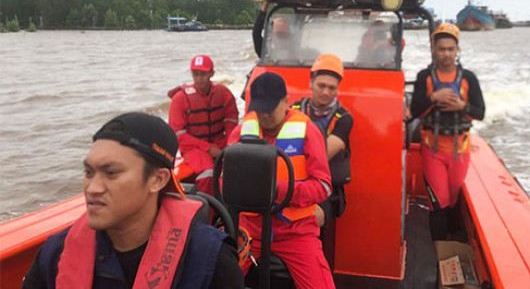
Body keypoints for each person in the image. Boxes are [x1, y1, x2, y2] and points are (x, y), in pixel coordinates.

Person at [21, 112, 244, 289]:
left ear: (157, 180)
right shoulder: (55, 254)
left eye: (111, 173)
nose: (93, 188)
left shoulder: (209, 259)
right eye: (89, 173)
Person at [227, 72, 335, 289]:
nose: (264, 115)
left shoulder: (308, 132)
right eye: (259, 109)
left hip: (296, 233)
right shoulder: (241, 132)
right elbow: (223, 180)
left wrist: (277, 189)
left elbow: (323, 187)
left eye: (270, 108)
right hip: (249, 231)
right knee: (214, 276)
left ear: (286, 102)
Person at [409, 23, 485, 246]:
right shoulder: (425, 77)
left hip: (459, 151)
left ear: (457, 50)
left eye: (451, 49)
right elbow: (415, 111)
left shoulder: (468, 78)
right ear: (433, 49)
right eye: (442, 49)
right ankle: (438, 248)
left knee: (453, 199)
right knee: (438, 201)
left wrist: (461, 105)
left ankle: (454, 242)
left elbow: (480, 112)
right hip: (432, 150)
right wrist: (434, 98)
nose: (446, 54)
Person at [290, 54, 353, 229]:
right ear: (311, 83)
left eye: (332, 88)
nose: (326, 92)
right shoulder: (292, 110)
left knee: (310, 219)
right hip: (293, 184)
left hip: (328, 190)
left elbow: (321, 156)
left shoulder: (344, 119)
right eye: (321, 86)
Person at [168, 55, 238, 196]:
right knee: (208, 173)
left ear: (211, 73)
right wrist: (208, 148)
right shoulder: (180, 99)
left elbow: (231, 122)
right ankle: (210, 213)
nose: (199, 78)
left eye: (203, 74)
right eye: (195, 74)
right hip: (192, 147)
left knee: (237, 167)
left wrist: (230, 146)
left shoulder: (223, 93)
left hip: (219, 142)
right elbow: (178, 135)